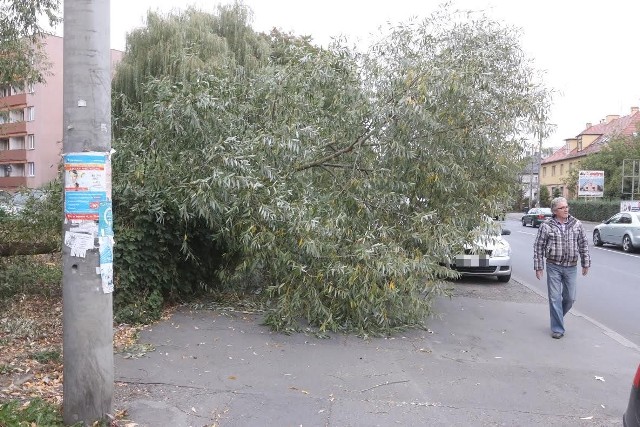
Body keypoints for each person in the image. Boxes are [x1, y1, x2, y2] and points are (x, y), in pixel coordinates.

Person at [533, 197, 591, 339]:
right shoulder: (547, 225)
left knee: (570, 298)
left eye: (566, 206)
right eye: (562, 208)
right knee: (554, 298)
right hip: (553, 266)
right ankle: (558, 328)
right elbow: (538, 246)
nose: (566, 209)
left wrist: (585, 263)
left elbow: (583, 244)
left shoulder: (576, 224)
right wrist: (538, 267)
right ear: (554, 211)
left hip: (571, 267)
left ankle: (556, 317)